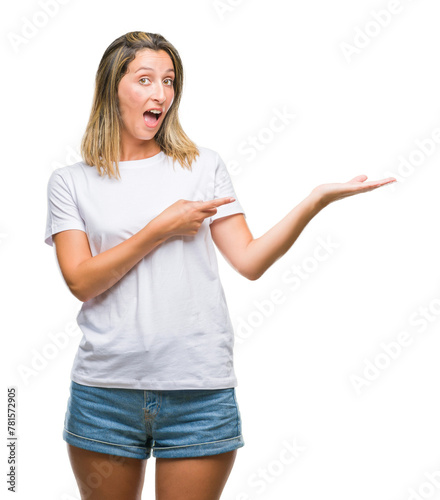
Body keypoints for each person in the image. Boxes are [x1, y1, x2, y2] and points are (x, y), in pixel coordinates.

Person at [44, 31, 396, 500]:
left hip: (199, 392)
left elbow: (248, 261)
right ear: (113, 88)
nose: (160, 94)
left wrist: (315, 201)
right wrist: (160, 228)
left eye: (169, 81)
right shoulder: (71, 182)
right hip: (106, 393)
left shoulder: (202, 166)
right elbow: (81, 281)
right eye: (145, 79)